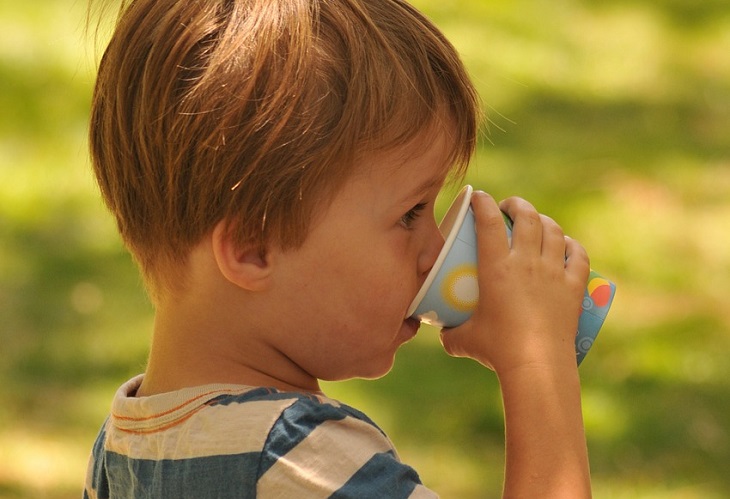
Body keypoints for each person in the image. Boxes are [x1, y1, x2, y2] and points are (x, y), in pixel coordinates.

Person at [84, 0, 592, 497]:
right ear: (254, 248)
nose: (434, 252)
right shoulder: (304, 463)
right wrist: (537, 359)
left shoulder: (122, 449)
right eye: (410, 214)